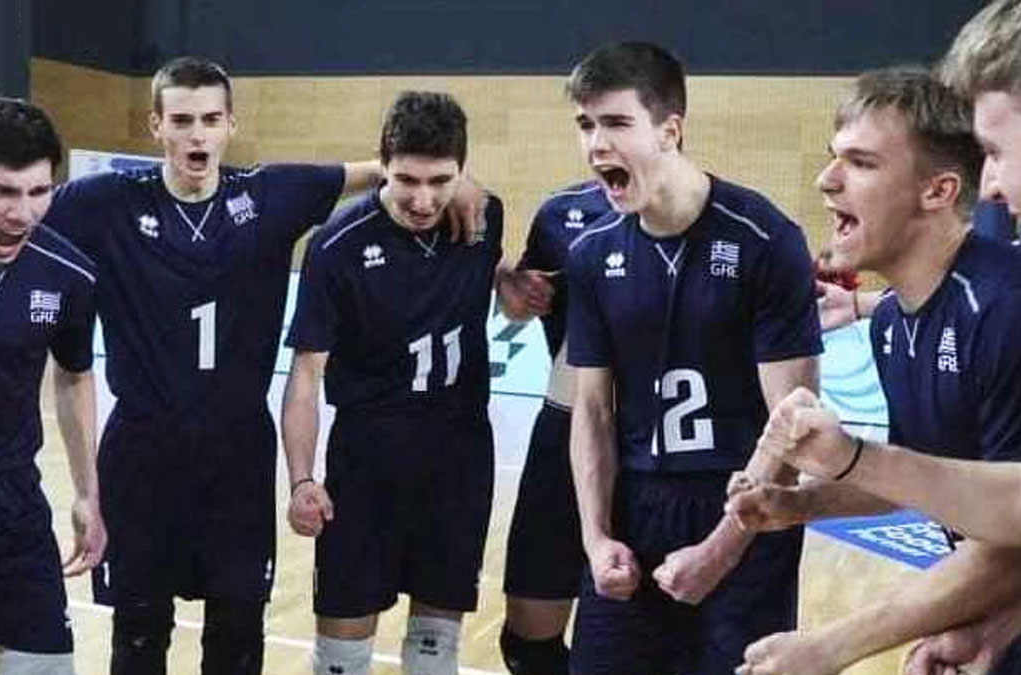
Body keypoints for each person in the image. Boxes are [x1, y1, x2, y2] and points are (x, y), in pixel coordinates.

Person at [749, 2, 1021, 673]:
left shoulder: (1016, 307)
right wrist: (839, 468)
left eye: (996, 153)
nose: (990, 188)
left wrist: (833, 644)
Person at [40, 57, 485, 675]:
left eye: (210, 119)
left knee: (237, 638)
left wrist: (464, 182)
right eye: (182, 121)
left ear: (231, 124)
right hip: (142, 453)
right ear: (156, 126)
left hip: (238, 457)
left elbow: (377, 170)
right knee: (138, 637)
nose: (197, 134)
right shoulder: (104, 202)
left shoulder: (271, 194)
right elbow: (13, 211)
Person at [564, 41, 822, 675]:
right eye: (586, 125)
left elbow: (794, 420)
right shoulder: (592, 254)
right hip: (636, 505)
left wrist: (721, 548)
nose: (597, 144)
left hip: (743, 505)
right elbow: (592, 411)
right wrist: (596, 539)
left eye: (617, 123)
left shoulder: (766, 240)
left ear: (670, 130)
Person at [282, 90, 503, 675]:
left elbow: (494, 250)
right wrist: (301, 479)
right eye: (406, 180)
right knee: (341, 657)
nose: (423, 200)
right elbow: (305, 374)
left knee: (435, 653)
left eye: (441, 181)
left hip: (459, 460)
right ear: (382, 164)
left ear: (462, 170)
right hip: (367, 464)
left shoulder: (483, 217)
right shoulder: (337, 245)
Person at [0, 94, 106, 674]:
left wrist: (88, 493)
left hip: (10, 511)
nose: (22, 213)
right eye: (1, 191)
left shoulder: (67, 273)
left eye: (39, 191)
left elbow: (74, 377)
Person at [494, 179, 610, 675]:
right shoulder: (560, 213)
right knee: (527, 642)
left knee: (628, 636)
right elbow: (518, 300)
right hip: (563, 422)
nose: (601, 145)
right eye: (590, 135)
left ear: (671, 138)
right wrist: (517, 291)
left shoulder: (714, 219)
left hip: (650, 444)